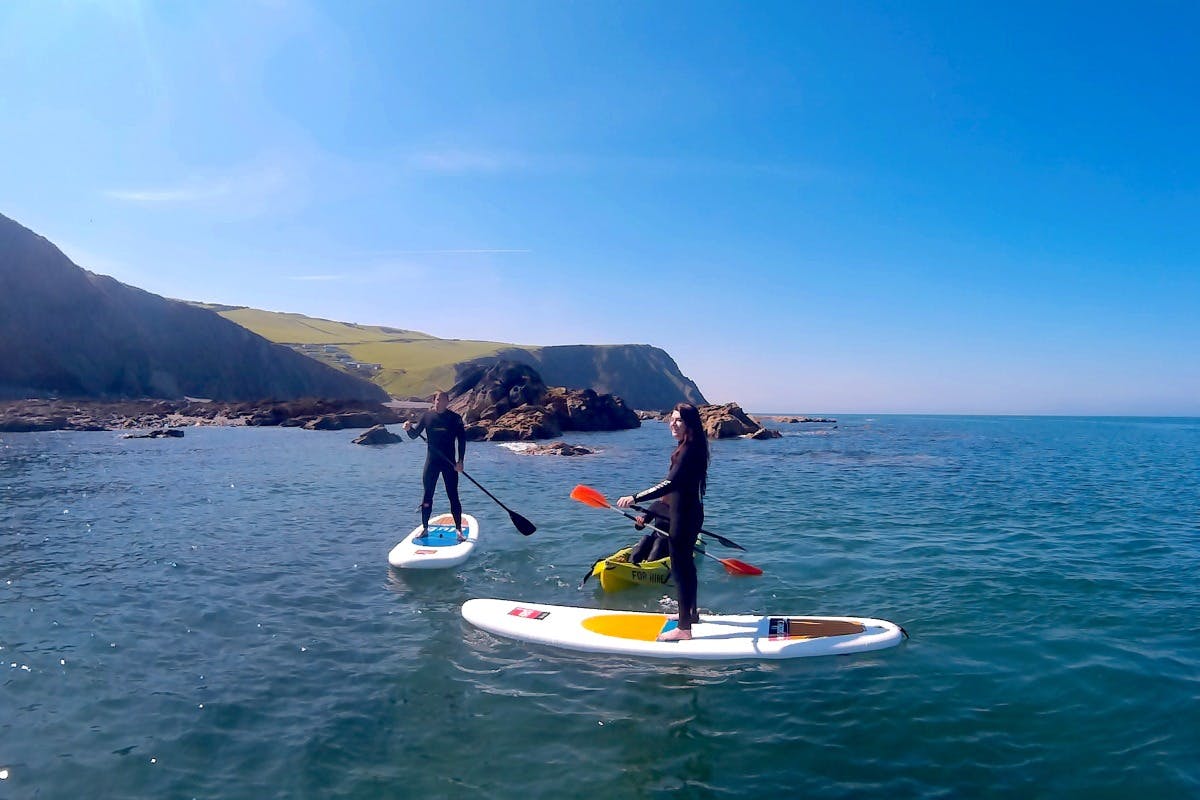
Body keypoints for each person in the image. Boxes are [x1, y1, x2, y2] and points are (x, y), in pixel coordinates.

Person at [617, 402, 709, 642]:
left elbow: (668, 484)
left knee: (680, 569)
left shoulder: (689, 450)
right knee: (686, 566)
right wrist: (648, 513)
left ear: (689, 424)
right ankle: (691, 615)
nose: (673, 423)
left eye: (679, 420)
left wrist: (635, 497)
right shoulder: (690, 447)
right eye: (672, 418)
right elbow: (673, 491)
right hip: (687, 512)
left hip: (684, 516)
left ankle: (684, 628)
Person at [404, 390, 467, 540]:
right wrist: (408, 429)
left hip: (450, 463)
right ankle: (425, 528)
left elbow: (462, 441)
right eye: (438, 399)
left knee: (453, 495)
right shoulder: (427, 416)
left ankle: (458, 529)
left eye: (444, 400)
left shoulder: (455, 418)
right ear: (434, 400)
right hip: (432, 462)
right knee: (427, 495)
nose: (441, 402)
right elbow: (414, 435)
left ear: (448, 401)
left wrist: (460, 461)